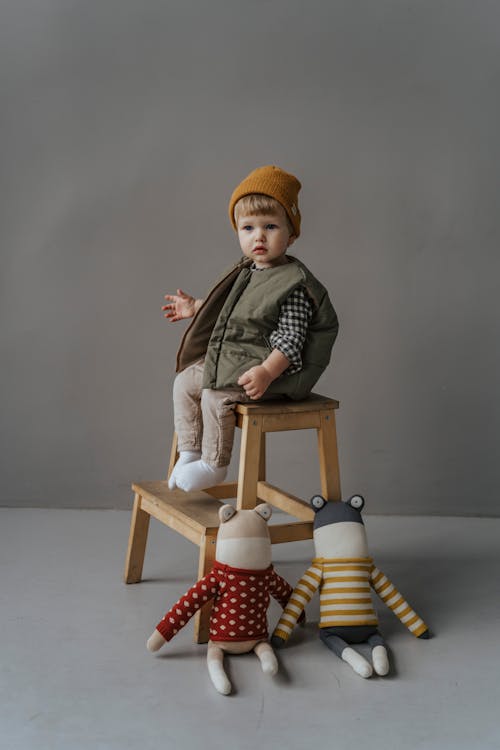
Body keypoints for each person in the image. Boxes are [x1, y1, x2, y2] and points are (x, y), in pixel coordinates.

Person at [163, 165, 338, 493]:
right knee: (185, 381)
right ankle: (190, 451)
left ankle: (214, 464)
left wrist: (267, 372)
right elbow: (230, 312)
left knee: (216, 396)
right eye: (248, 227)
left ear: (292, 234)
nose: (258, 236)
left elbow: (291, 339)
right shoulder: (247, 272)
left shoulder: (293, 284)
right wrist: (196, 307)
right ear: (238, 233)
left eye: (270, 226)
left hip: (271, 372)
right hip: (238, 358)